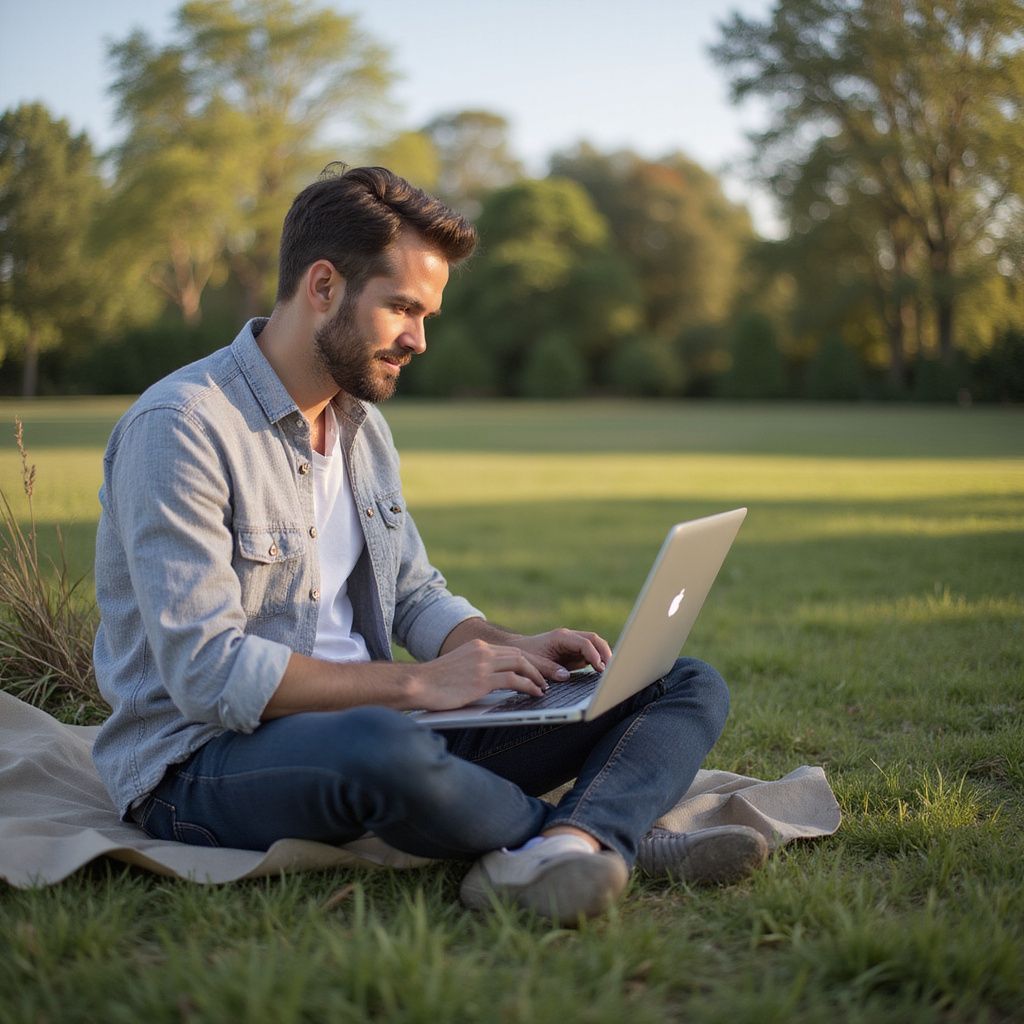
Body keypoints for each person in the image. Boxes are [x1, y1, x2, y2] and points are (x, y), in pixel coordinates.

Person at [91, 165, 766, 925]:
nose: (418, 339)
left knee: (675, 681)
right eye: (403, 308)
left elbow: (412, 591)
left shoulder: (361, 427)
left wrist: (510, 646)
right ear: (323, 286)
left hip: (389, 721)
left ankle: (572, 845)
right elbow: (207, 673)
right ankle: (609, 841)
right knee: (384, 748)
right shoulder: (181, 428)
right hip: (202, 766)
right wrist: (419, 686)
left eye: (428, 315)